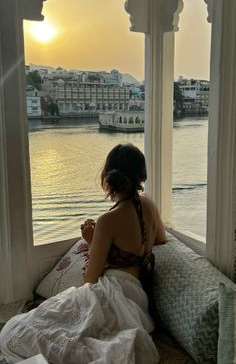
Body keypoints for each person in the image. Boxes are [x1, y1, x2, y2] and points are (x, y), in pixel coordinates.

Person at [0, 144, 166, 364]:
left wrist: (92, 240)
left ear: (108, 176)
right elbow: (160, 238)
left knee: (14, 332)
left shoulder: (109, 220)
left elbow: (90, 277)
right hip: (136, 299)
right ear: (141, 174)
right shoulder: (150, 205)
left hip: (111, 293)